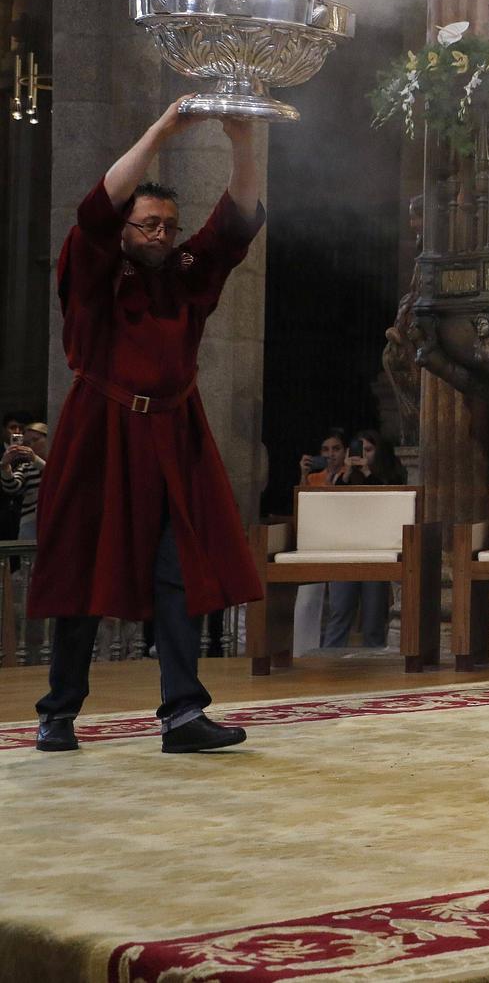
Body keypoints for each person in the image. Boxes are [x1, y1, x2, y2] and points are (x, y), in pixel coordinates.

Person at [28, 103, 265, 754]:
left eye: (169, 225)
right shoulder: (92, 276)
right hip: (99, 432)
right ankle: (57, 712)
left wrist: (242, 141)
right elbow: (97, 209)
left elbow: (237, 223)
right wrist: (162, 132)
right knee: (81, 572)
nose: (161, 235)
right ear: (126, 229)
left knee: (180, 572)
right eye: (148, 224)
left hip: (174, 437)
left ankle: (183, 713)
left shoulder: (187, 279)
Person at [322, 430, 408, 650]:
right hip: (346, 549)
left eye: (369, 450)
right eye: (361, 450)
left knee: (374, 617)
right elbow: (336, 503)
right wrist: (349, 472)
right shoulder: (346, 477)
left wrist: (368, 472)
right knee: (339, 612)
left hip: (377, 550)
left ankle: (374, 663)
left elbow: (388, 497)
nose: (364, 455)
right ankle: (328, 661)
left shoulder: (391, 474)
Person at [2, 420, 48, 543]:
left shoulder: (60, 461)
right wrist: (5, 467)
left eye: (36, 440)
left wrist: (35, 459)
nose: (31, 445)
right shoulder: (26, 467)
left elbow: (54, 476)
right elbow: (12, 487)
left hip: (53, 518)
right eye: (27, 443)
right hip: (30, 522)